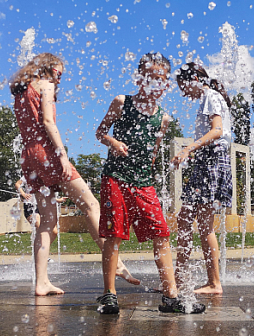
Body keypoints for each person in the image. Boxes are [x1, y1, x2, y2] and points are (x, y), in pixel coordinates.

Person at [10, 53, 139, 296]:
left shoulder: (21, 91)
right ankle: (117, 264)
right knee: (91, 205)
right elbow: (48, 122)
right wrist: (62, 155)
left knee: (47, 221)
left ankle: (41, 282)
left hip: (29, 158)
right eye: (59, 74)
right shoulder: (45, 85)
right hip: (48, 154)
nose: (60, 79)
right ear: (47, 70)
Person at [95, 53, 205, 314]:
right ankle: (109, 294)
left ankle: (170, 297)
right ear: (141, 78)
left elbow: (154, 152)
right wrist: (113, 142)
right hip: (116, 178)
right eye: (153, 78)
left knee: (162, 234)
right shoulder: (122, 102)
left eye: (163, 80)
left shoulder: (163, 119)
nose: (159, 84)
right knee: (114, 235)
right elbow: (100, 132)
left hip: (144, 183)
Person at [171, 62, 233, 295]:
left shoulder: (211, 96)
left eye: (183, 86)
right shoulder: (207, 98)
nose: (183, 92)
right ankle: (178, 279)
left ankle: (214, 283)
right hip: (205, 160)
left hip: (213, 160)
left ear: (195, 79)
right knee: (185, 219)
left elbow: (217, 130)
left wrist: (188, 149)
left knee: (204, 224)